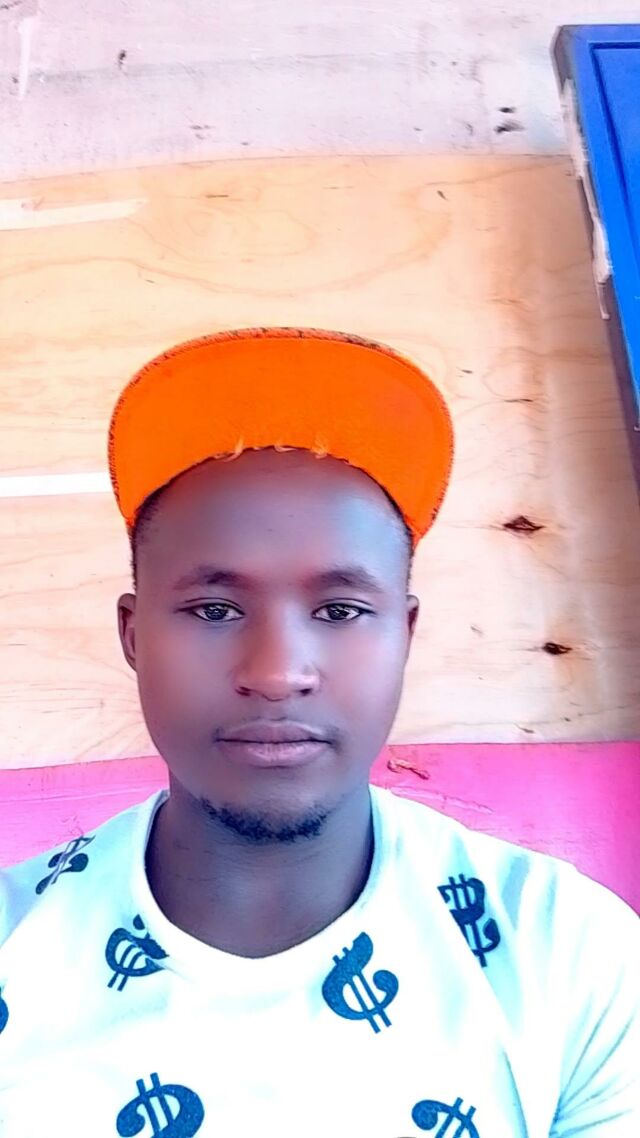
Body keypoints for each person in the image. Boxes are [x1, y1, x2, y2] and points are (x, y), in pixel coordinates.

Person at [0, 327, 638, 1137]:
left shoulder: (570, 956)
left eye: (340, 610)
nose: (277, 672)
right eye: (214, 609)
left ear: (406, 635)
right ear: (133, 637)